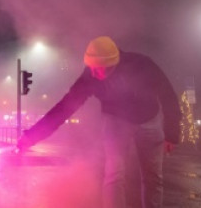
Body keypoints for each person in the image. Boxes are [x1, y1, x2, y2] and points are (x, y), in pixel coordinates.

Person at [17, 36, 181, 208]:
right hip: (115, 121)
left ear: (113, 65)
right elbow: (64, 108)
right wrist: (31, 137)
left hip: (149, 119)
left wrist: (172, 133)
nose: (93, 74)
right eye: (91, 68)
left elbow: (167, 95)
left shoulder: (142, 65)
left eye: (98, 69)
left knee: (153, 176)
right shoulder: (90, 76)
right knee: (114, 174)